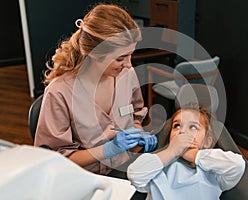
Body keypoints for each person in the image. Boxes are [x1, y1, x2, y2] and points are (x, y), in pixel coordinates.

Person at [34, 3, 157, 175]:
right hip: (84, 178)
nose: (129, 64)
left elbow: (135, 114)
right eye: (120, 58)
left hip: (126, 169)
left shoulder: (126, 75)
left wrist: (138, 131)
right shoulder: (60, 92)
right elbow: (54, 159)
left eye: (130, 55)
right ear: (93, 53)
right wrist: (107, 150)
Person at [127, 103, 246, 200]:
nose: (182, 132)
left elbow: (237, 165)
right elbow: (134, 175)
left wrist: (194, 155)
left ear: (207, 142)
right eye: (177, 126)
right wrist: (171, 152)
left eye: (193, 127)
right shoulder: (159, 166)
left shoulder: (213, 171)